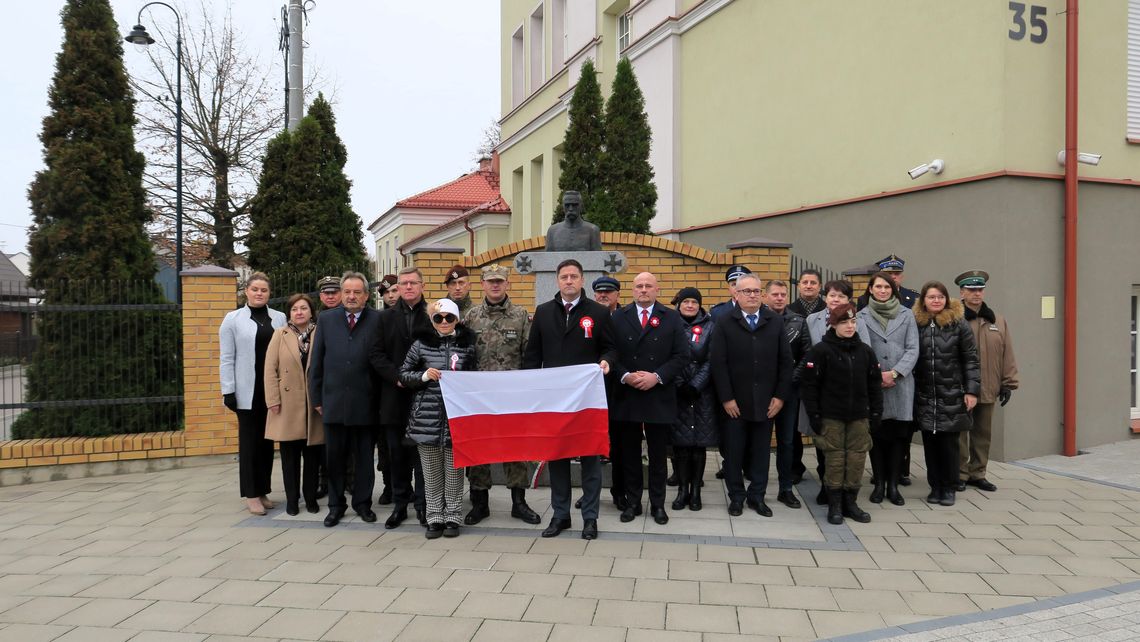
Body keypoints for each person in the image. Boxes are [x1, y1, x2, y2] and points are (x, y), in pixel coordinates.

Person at [522, 259, 617, 540]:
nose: (569, 281)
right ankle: (561, 515)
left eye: (574, 276)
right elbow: (532, 355)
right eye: (564, 276)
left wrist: (606, 361)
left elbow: (611, 348)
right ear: (557, 280)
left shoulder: (598, 313)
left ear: (582, 280)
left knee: (589, 458)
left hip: (586, 399)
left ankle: (590, 517)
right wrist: (530, 388)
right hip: (554, 401)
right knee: (558, 457)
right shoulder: (543, 312)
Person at [461, 263, 541, 525]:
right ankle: (480, 503)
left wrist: (527, 389)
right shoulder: (471, 317)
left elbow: (529, 354)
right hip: (479, 397)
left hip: (511, 397)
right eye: (490, 281)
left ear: (507, 284)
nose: (495, 285)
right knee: (479, 449)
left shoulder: (520, 316)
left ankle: (519, 503)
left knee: (515, 448)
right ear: (483, 284)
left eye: (500, 281)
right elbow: (461, 356)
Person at [708, 273, 793, 517]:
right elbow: (718, 363)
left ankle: (757, 496)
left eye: (756, 291)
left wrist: (780, 396)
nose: (753, 295)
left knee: (761, 452)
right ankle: (736, 497)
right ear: (736, 294)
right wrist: (726, 398)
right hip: (735, 402)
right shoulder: (724, 321)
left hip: (767, 402)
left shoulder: (774, 321)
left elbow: (785, 362)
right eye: (747, 291)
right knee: (734, 453)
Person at [611, 272, 689, 525]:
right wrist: (624, 376)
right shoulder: (618, 317)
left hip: (658, 394)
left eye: (648, 286)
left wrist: (657, 376)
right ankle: (633, 502)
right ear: (631, 291)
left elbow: (681, 355)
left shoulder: (672, 317)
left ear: (657, 290)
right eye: (638, 286)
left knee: (657, 455)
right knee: (630, 454)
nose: (643, 290)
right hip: (628, 393)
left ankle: (658, 504)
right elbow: (611, 352)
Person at [308, 272, 382, 527]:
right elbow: (316, 362)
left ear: (366, 295)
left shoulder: (377, 320)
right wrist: (316, 398)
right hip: (333, 402)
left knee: (363, 459)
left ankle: (363, 504)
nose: (351, 296)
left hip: (366, 402)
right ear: (341, 294)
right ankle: (336, 506)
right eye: (347, 292)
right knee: (335, 458)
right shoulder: (327, 320)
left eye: (357, 292)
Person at [399, 299, 478, 538]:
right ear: (432, 321)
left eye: (449, 318)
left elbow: (476, 378)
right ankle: (434, 517)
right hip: (427, 418)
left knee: (454, 471)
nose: (444, 322)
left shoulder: (468, 346)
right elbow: (404, 374)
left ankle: (453, 516)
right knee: (431, 472)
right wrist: (423, 376)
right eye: (438, 318)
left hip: (457, 418)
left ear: (457, 320)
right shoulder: (420, 345)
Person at [799, 303, 882, 525]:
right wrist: (815, 416)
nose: (849, 326)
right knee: (835, 461)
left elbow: (874, 384)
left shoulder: (865, 351)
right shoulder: (821, 351)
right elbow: (810, 387)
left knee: (856, 459)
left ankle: (851, 502)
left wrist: (875, 413)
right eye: (844, 322)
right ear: (833, 324)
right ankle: (834, 504)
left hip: (859, 417)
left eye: (853, 322)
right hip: (831, 417)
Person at [220, 272, 286, 515]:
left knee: (267, 443)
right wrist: (229, 390)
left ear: (269, 294)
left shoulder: (279, 318)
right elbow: (226, 358)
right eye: (255, 289)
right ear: (246, 290)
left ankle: (263, 490)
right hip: (246, 391)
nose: (259, 293)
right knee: (250, 444)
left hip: (271, 391)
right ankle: (251, 494)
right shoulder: (232, 319)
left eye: (264, 290)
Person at [370, 267, 430, 529]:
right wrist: (397, 377)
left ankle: (424, 506)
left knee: (422, 454)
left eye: (412, 283)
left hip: (425, 396)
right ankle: (400, 505)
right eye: (403, 283)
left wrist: (420, 378)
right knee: (397, 454)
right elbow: (376, 354)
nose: (407, 287)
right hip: (394, 395)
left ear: (422, 286)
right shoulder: (384, 318)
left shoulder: (434, 314)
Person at [912, 281, 980, 507]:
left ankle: (949, 487)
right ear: (923, 301)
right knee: (930, 444)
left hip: (951, 392)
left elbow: (971, 359)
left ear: (947, 299)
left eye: (940, 297)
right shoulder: (916, 324)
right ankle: (935, 486)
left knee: (949, 444)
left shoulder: (958, 324)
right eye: (931, 297)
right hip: (925, 394)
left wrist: (971, 390)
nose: (936, 301)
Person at [856, 272, 919, 507]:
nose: (882, 291)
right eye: (878, 286)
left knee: (899, 437)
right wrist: (878, 374)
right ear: (870, 289)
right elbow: (863, 347)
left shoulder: (907, 315)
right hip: (875, 385)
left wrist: (895, 373)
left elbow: (913, 348)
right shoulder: (861, 316)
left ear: (893, 290)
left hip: (901, 383)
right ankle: (879, 483)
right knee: (878, 435)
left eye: (887, 287)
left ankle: (893, 485)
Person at [955, 270, 1019, 493]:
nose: (976, 294)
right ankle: (960, 473)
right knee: (961, 433)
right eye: (971, 290)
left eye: (979, 289)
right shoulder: (954, 318)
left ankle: (978, 473)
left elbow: (1007, 352)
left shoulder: (997, 320)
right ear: (962, 292)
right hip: (962, 388)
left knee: (983, 433)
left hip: (989, 385)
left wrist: (1008, 382)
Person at [264, 293, 325, 515]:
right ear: (289, 313)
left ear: (311, 312)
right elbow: (270, 369)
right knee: (289, 458)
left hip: (312, 404)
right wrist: (272, 400)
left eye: (303, 308)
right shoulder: (280, 334)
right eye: (294, 309)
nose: (299, 312)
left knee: (312, 457)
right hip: (286, 404)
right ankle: (292, 499)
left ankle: (310, 498)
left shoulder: (320, 333)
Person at [802, 279, 861, 505]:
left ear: (848, 300)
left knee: (848, 447)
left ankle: (845, 490)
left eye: (841, 296)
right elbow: (808, 352)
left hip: (848, 391)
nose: (836, 300)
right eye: (832, 295)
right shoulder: (811, 319)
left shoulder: (857, 320)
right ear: (825, 297)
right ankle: (827, 486)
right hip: (822, 391)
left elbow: (862, 349)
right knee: (824, 443)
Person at [670, 287, 717, 512]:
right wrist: (680, 383)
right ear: (678, 304)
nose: (690, 305)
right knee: (680, 445)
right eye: (686, 301)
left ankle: (696, 491)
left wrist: (696, 385)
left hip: (701, 393)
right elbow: (669, 356)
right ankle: (682, 491)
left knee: (698, 444)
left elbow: (712, 359)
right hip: (677, 391)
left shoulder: (710, 326)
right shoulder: (670, 323)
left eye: (694, 302)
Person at [764, 279, 809, 509]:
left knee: (787, 441)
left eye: (783, 294)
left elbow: (806, 355)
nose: (780, 298)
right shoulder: (757, 320)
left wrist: (788, 380)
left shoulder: (798, 322)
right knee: (760, 441)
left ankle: (785, 488)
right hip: (762, 391)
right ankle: (758, 488)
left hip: (789, 392)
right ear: (766, 296)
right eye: (775, 294)